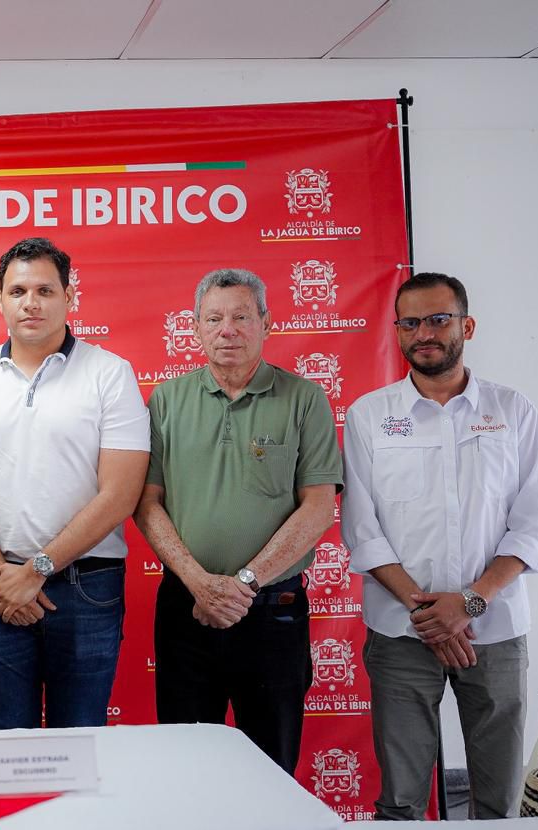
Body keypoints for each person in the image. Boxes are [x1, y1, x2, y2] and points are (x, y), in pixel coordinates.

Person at [342, 272, 538, 819]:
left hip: (495, 629)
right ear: (397, 332)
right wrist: (430, 613)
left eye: (438, 319)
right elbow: (363, 530)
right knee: (402, 799)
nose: (424, 332)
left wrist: (469, 603)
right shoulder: (369, 416)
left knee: (497, 798)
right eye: (410, 322)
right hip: (401, 631)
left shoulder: (513, 411)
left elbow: (529, 527)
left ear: (467, 325)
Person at [134, 267, 341, 775]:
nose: (227, 329)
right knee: (185, 765)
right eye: (214, 318)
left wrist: (243, 584)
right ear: (197, 327)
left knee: (272, 766)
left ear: (267, 323)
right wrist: (201, 584)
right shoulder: (166, 399)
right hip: (186, 606)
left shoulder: (305, 399)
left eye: (241, 317)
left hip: (273, 608)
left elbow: (318, 505)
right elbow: (145, 501)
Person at [0, 237, 150, 729]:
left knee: (80, 746)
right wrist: (2, 574)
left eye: (44, 290)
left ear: (69, 298)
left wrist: (37, 569)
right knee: (4, 749)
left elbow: (120, 494)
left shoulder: (110, 374)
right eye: (17, 291)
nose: (30, 303)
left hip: (87, 587)